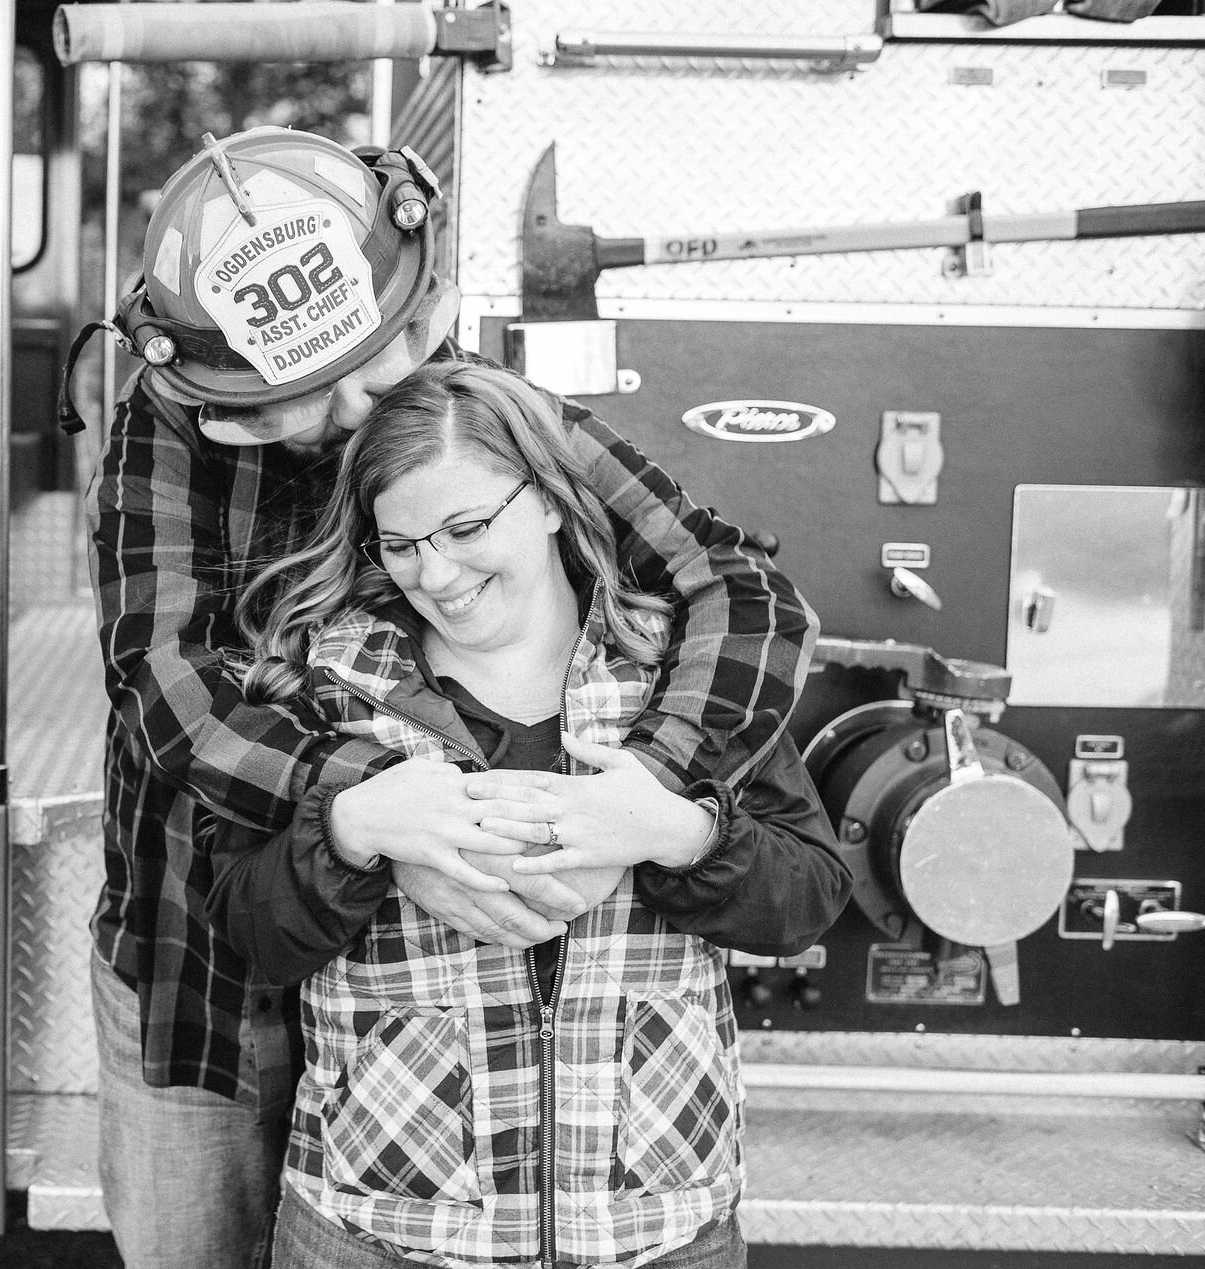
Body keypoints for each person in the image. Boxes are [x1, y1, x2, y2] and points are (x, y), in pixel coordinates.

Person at [82, 126, 819, 1269]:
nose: (364, 414)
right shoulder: (163, 432)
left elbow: (733, 582)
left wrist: (654, 785)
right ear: (220, 394)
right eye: (311, 399)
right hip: (206, 951)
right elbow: (167, 692)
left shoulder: (469, 407)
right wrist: (378, 811)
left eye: (382, 368)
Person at [210, 361, 850, 1268]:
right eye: (400, 544)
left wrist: (674, 831)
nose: (437, 572)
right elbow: (246, 931)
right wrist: (352, 831)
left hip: (657, 1231)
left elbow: (810, 895)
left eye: (467, 527)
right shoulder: (325, 684)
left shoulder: (678, 677)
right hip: (382, 1233)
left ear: (551, 499)